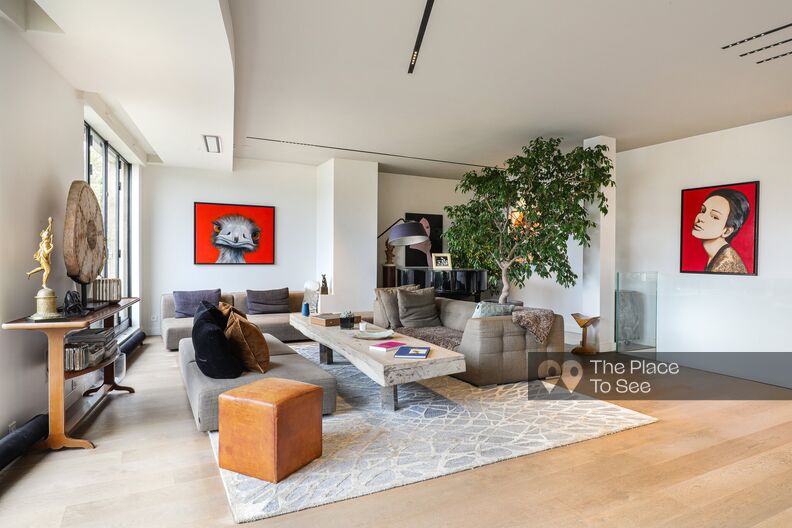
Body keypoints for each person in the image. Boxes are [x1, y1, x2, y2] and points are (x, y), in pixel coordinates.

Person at [691, 188, 750, 274]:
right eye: (703, 211)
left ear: (727, 231)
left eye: (714, 217)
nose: (701, 218)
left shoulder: (727, 265)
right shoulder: (718, 256)